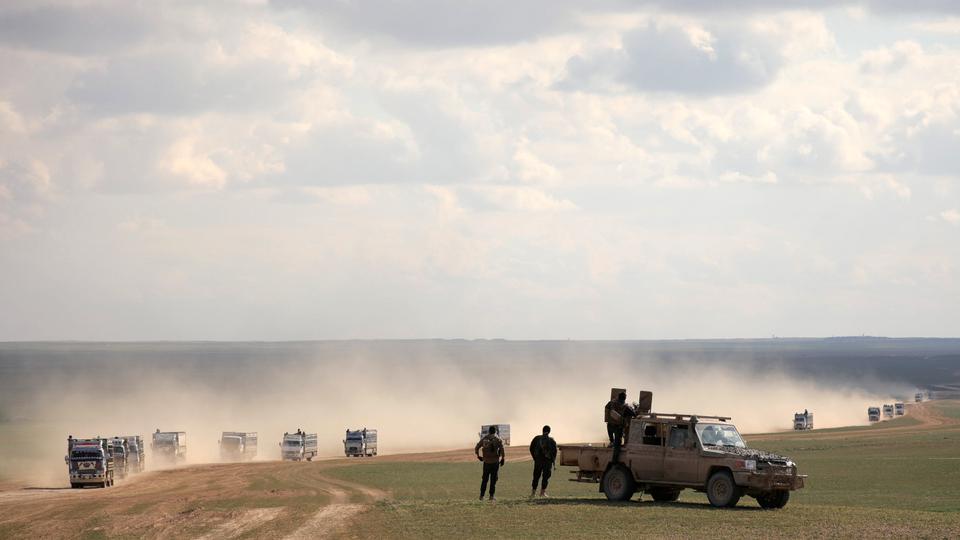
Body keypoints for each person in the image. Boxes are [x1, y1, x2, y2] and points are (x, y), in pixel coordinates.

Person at [475, 425, 505, 501]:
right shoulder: (498, 439)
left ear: (489, 431)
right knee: (493, 480)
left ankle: (481, 496)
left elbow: (477, 448)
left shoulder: (484, 439)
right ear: (495, 431)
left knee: (484, 479)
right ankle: (491, 497)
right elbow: (502, 450)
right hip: (495, 462)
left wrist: (479, 456)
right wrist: (503, 459)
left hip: (486, 462)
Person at [605, 392, 635, 462]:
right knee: (617, 446)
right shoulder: (625, 407)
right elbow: (633, 414)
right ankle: (614, 462)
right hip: (618, 428)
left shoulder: (611, 403)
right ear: (625, 398)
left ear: (618, 397)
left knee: (613, 441)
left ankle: (611, 441)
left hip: (610, 426)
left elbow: (606, 409)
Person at [529, 425, 557, 498]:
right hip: (547, 463)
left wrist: (535, 458)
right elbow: (554, 452)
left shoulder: (537, 438)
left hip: (538, 461)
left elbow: (531, 448)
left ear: (542, 430)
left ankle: (533, 493)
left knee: (536, 476)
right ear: (549, 431)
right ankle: (542, 493)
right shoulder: (551, 440)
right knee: (545, 477)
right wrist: (552, 461)